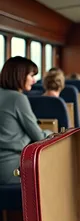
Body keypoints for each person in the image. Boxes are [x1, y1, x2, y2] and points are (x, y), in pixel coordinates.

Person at [0, 56, 51, 185]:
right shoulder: (18, 98)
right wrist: (50, 132)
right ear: (20, 75)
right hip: (9, 168)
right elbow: (39, 136)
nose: (34, 80)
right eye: (31, 75)